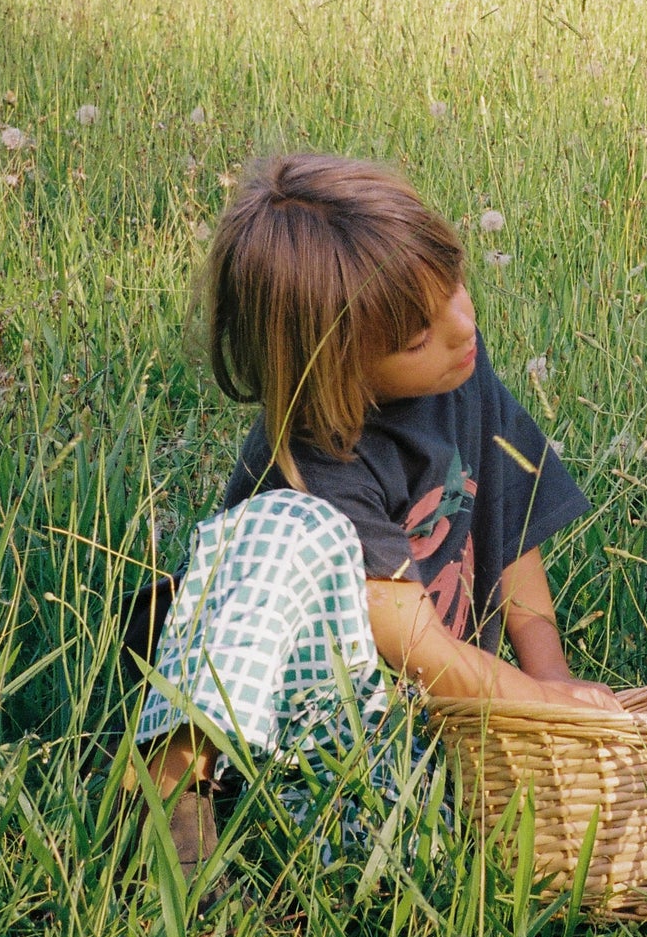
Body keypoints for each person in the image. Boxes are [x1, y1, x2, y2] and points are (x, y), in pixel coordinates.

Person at [134, 152, 620, 876]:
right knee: (284, 528)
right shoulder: (316, 454)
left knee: (457, 846)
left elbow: (512, 535)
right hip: (307, 754)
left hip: (432, 733)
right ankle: (171, 793)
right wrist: (537, 703)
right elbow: (416, 643)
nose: (462, 326)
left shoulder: (460, 369)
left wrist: (556, 693)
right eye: (416, 336)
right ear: (335, 364)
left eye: (454, 286)